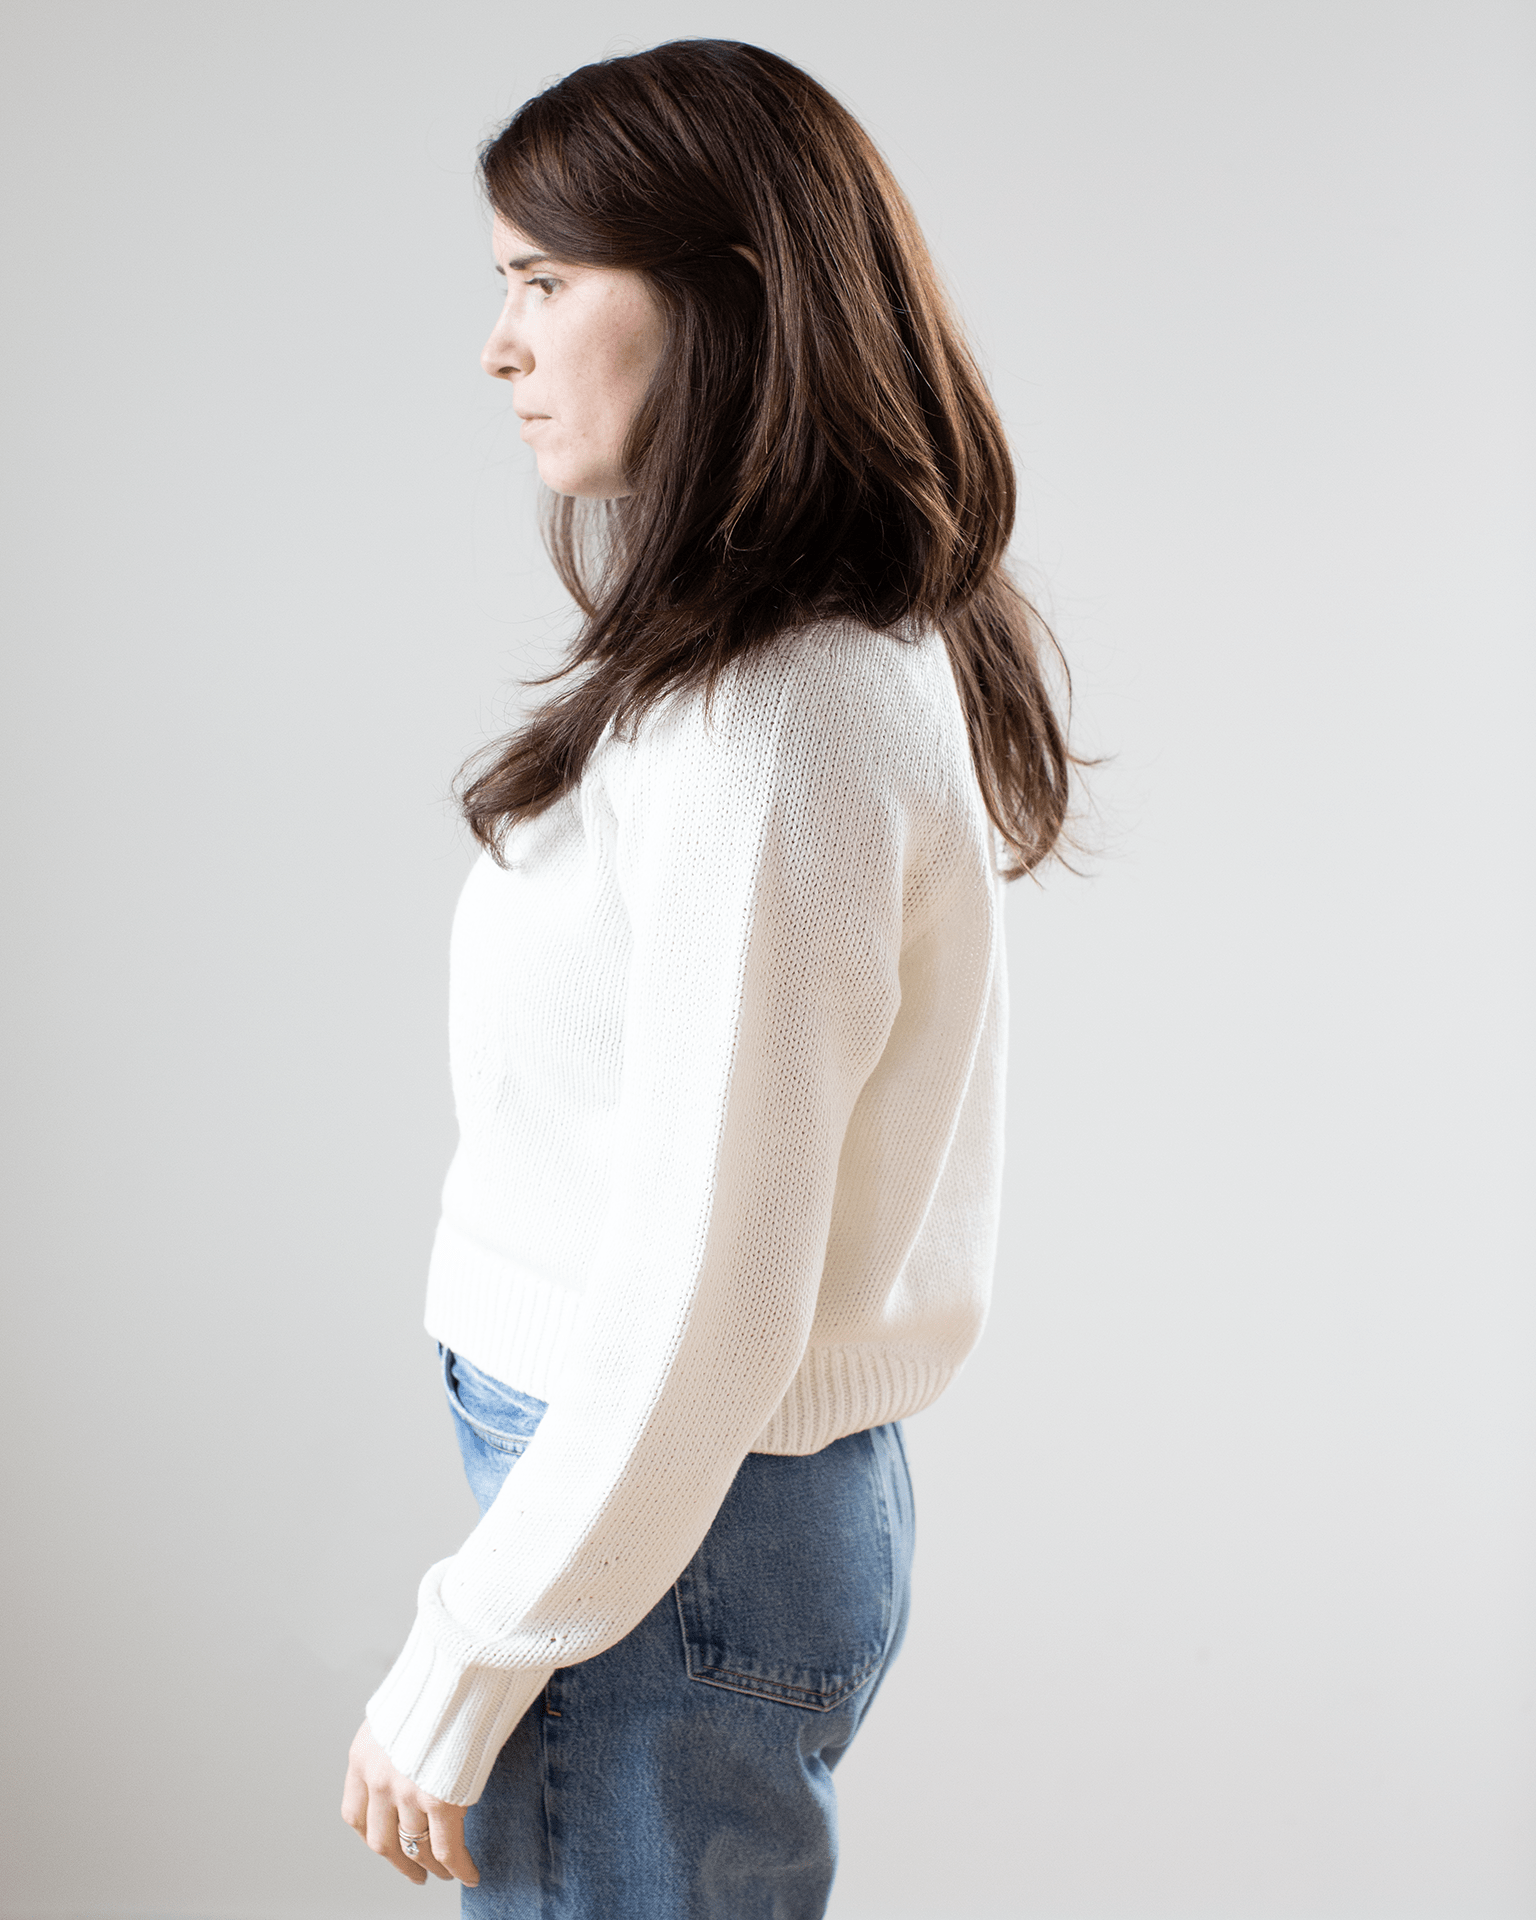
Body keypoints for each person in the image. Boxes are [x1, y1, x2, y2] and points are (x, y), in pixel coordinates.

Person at [340, 38, 1074, 1919]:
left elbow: (710, 1290)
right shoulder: (758, 669)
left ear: (722, 299)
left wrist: (473, 1639)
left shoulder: (783, 715)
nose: (496, 345)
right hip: (661, 1527)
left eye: (541, 280)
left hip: (660, 1549)